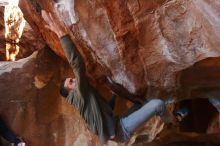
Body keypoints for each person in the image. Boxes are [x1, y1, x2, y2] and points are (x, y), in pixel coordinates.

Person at [42, 10, 174, 145]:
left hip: (117, 123)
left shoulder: (85, 101)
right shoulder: (79, 95)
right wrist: (61, 34)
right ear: (70, 91)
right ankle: (169, 118)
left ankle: (167, 102)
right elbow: (77, 64)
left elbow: (107, 111)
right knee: (157, 104)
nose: (74, 80)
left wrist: (114, 96)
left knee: (141, 103)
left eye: (72, 79)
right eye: (71, 82)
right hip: (121, 130)